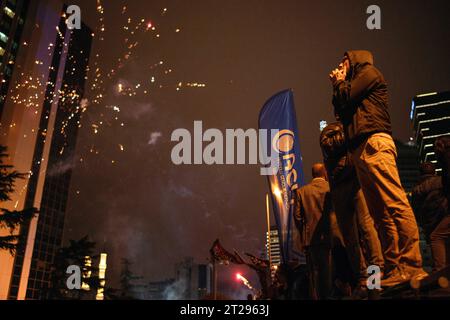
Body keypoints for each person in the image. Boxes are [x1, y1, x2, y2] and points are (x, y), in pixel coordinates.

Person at [329, 50, 426, 286]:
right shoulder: (352, 83)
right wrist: (338, 85)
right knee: (379, 214)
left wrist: (340, 82)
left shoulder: (369, 73)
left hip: (375, 143)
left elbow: (347, 97)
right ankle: (394, 267)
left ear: (354, 60)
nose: (341, 65)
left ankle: (412, 266)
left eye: (344, 61)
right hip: (361, 149)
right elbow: (340, 108)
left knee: (394, 202)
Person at [320, 122, 384, 297]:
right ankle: (371, 278)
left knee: (357, 234)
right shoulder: (344, 129)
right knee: (363, 231)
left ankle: (368, 279)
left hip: (345, 184)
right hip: (352, 181)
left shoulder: (335, 134)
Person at [293, 163, 336, 299]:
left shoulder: (302, 192)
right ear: (325, 173)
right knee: (332, 270)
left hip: (311, 239)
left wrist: (303, 233)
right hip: (332, 236)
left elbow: (297, 216)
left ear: (313, 175)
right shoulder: (331, 188)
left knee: (315, 273)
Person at [412, 162, 449, 272]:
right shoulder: (441, 181)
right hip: (443, 217)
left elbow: (417, 210)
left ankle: (439, 271)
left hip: (431, 222)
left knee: (436, 238)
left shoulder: (417, 189)